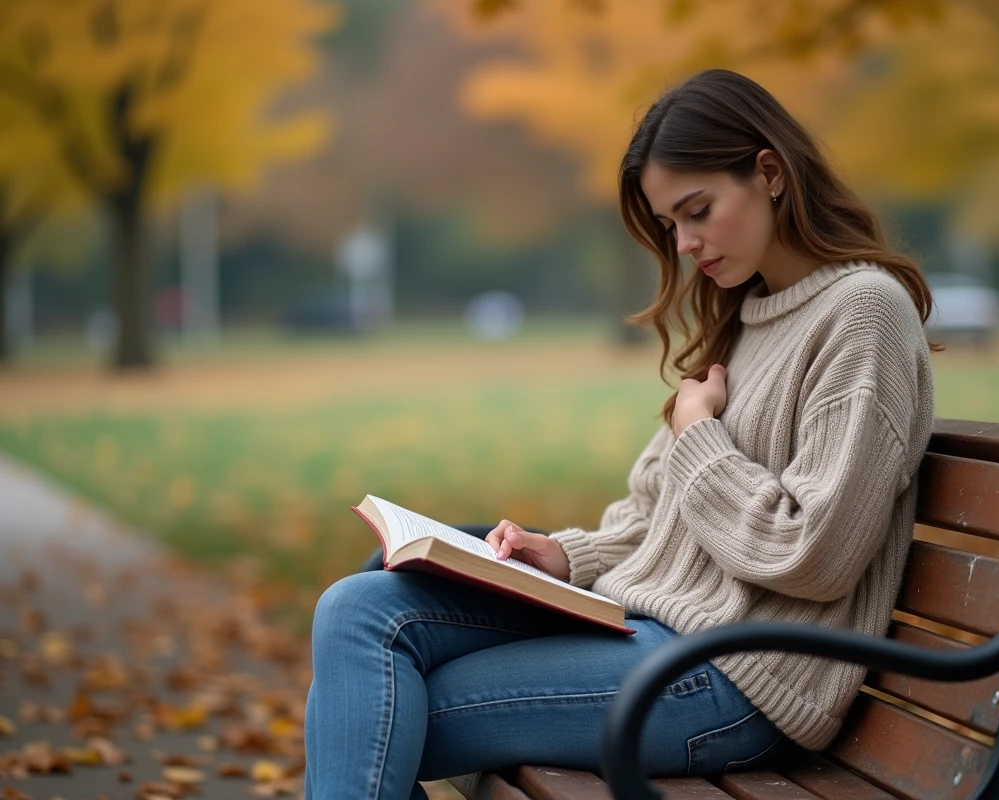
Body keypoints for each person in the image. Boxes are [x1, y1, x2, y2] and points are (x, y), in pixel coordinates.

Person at [303, 68, 935, 800]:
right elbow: (655, 516)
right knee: (356, 610)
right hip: (650, 634)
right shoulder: (747, 313)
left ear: (769, 173)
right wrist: (567, 555)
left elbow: (814, 555)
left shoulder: (864, 315)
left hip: (738, 677)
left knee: (368, 711)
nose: (686, 243)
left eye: (697, 211)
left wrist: (699, 435)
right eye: (671, 224)